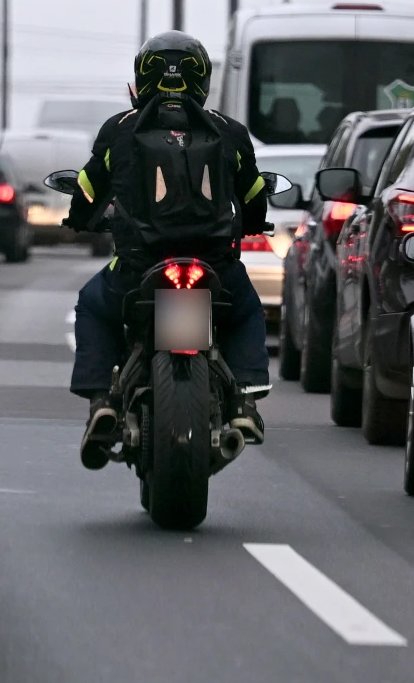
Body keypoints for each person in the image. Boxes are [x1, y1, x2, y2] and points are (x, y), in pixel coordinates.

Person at [65, 31, 272, 470]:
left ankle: (102, 399)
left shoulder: (119, 130)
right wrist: (253, 224)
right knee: (247, 310)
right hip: (215, 266)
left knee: (93, 305)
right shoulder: (230, 131)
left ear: (141, 79)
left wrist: (78, 221)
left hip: (137, 267)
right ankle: (246, 401)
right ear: (203, 80)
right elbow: (254, 194)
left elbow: (86, 191)